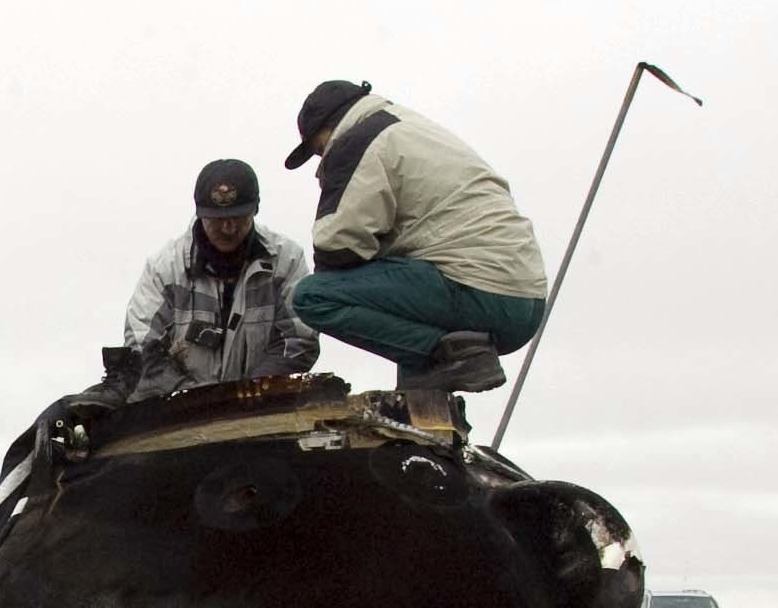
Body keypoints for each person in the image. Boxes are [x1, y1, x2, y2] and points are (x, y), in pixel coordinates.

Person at [279, 80, 550, 395]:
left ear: (328, 128)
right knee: (398, 300)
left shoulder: (357, 141)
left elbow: (336, 246)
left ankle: (455, 357)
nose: (319, 156)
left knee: (314, 296)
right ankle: (426, 396)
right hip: (526, 301)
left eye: (316, 148)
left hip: (479, 291)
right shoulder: (410, 127)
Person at [123, 159, 320, 398]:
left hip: (262, 408)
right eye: (217, 219)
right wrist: (195, 398)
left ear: (255, 210)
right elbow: (141, 345)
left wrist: (249, 395)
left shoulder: (287, 261)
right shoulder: (164, 269)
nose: (228, 228)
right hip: (179, 412)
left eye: (238, 217)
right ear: (199, 214)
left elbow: (300, 340)